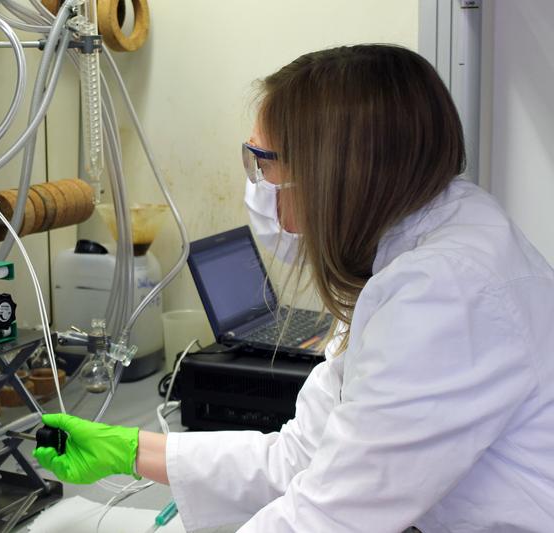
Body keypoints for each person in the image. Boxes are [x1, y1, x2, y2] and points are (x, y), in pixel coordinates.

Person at [34, 45, 554, 532]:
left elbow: (331, 515)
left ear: (334, 170)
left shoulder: (444, 293)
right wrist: (135, 451)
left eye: (264, 162)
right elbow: (306, 457)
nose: (258, 186)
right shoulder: (410, 250)